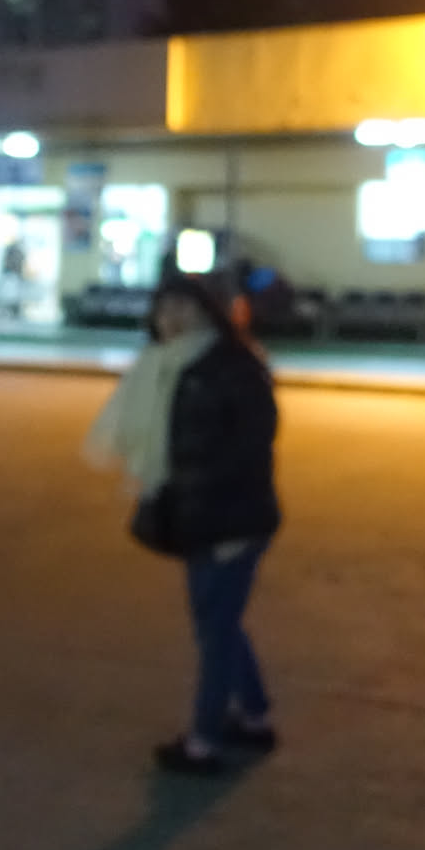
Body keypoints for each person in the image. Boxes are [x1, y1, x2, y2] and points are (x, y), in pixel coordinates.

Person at [84, 271, 281, 776]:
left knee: (214, 630)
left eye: (184, 308)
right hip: (196, 516)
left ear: (209, 313)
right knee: (219, 622)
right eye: (164, 308)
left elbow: (252, 450)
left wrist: (229, 524)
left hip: (231, 521)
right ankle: (254, 716)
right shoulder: (161, 364)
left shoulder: (232, 366)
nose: (171, 318)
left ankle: (204, 743)